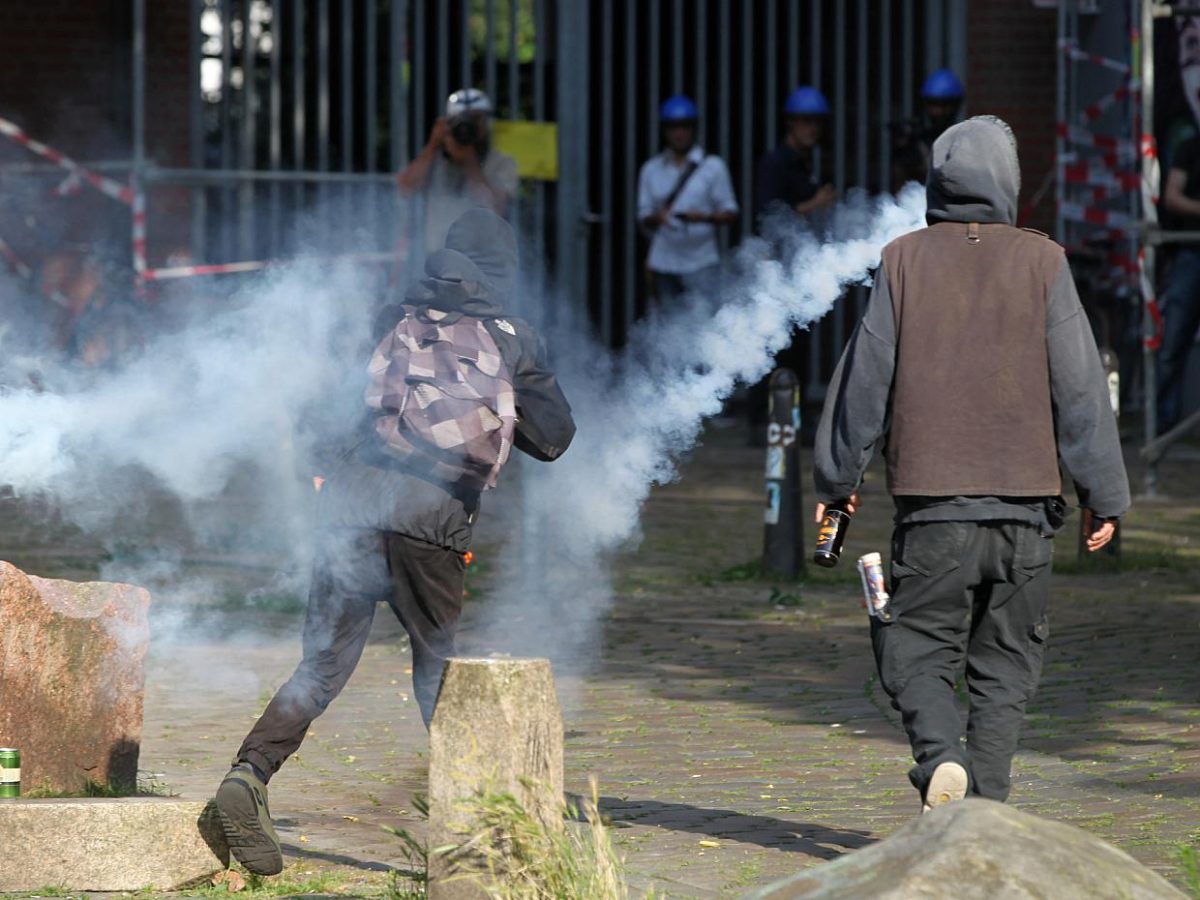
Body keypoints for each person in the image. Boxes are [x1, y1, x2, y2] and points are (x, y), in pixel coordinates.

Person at [213, 209, 576, 876]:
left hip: (348, 508)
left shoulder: (390, 313)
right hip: (430, 522)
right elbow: (554, 439)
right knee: (437, 670)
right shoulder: (512, 335)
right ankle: (487, 831)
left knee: (321, 666)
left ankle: (249, 774)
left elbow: (333, 403)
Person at [813, 116, 1129, 812]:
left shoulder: (902, 259)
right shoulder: (1045, 261)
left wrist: (838, 483)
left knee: (914, 645)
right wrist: (1103, 493)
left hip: (934, 508)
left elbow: (866, 378)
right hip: (1027, 509)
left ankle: (940, 755)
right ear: (1009, 183)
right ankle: (985, 809)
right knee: (1007, 665)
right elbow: (1080, 385)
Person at [637, 94, 739, 309]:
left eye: (684, 127)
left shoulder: (713, 167)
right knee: (668, 329)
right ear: (665, 130)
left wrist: (705, 218)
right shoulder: (651, 169)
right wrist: (658, 217)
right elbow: (643, 216)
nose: (679, 133)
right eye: (673, 127)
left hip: (701, 261)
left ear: (693, 129)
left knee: (703, 326)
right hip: (664, 261)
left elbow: (730, 212)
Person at [397, 88, 519, 256]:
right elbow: (405, 188)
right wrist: (433, 144)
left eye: (476, 118)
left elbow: (496, 208)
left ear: (488, 121)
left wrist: (469, 161)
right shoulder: (434, 160)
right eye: (460, 119)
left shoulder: (502, 162)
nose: (468, 126)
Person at [1156, 133, 1200, 434]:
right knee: (1173, 342)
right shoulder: (1192, 146)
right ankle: (1163, 427)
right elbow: (1171, 196)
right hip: (1191, 251)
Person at [753, 86, 835, 223]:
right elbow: (768, 215)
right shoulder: (775, 163)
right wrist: (815, 203)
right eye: (807, 121)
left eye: (818, 122)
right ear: (790, 122)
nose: (813, 129)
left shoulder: (808, 162)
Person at [891, 68, 965, 191]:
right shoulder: (917, 137)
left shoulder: (964, 137)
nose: (937, 111)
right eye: (933, 104)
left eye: (944, 105)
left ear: (955, 104)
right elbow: (900, 184)